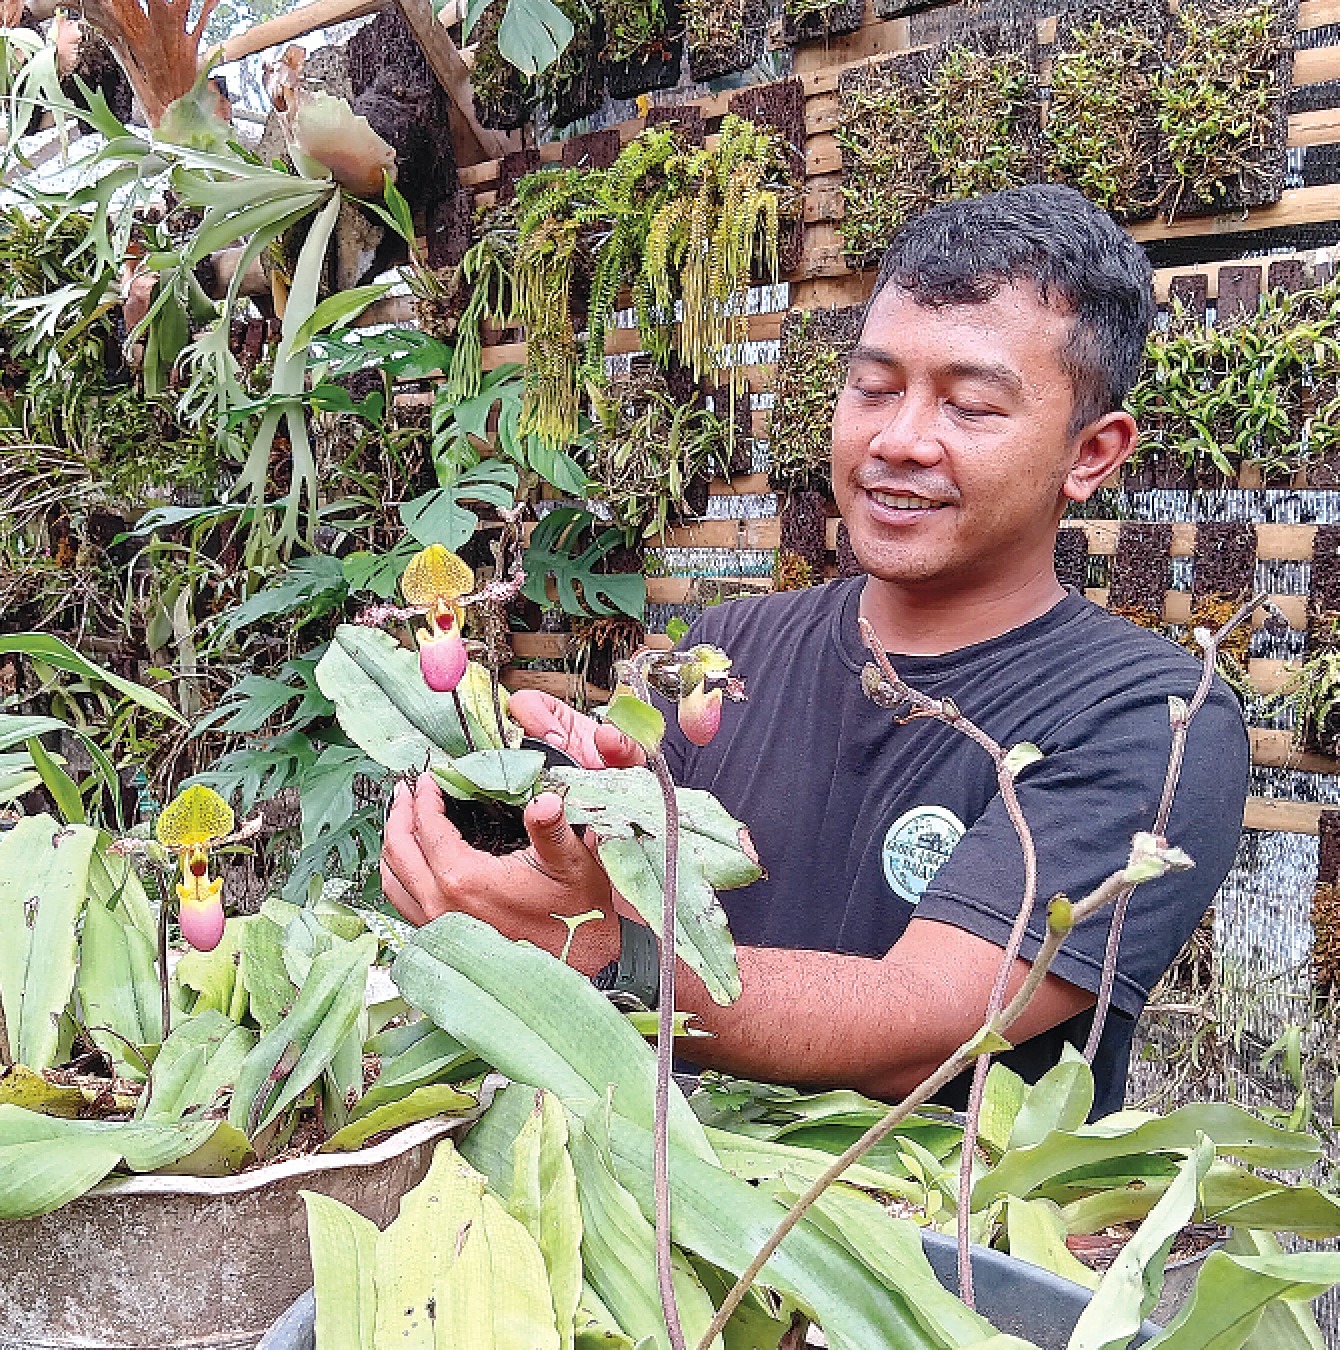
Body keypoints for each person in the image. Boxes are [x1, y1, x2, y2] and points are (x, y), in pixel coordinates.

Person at [381, 185, 1250, 1118]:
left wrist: (599, 953)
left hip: (919, 1204)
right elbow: (631, 914)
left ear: (1091, 454)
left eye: (970, 406)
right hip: (666, 1172)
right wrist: (568, 834)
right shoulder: (726, 650)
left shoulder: (1155, 720)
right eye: (874, 389)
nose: (900, 440)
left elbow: (927, 1031)